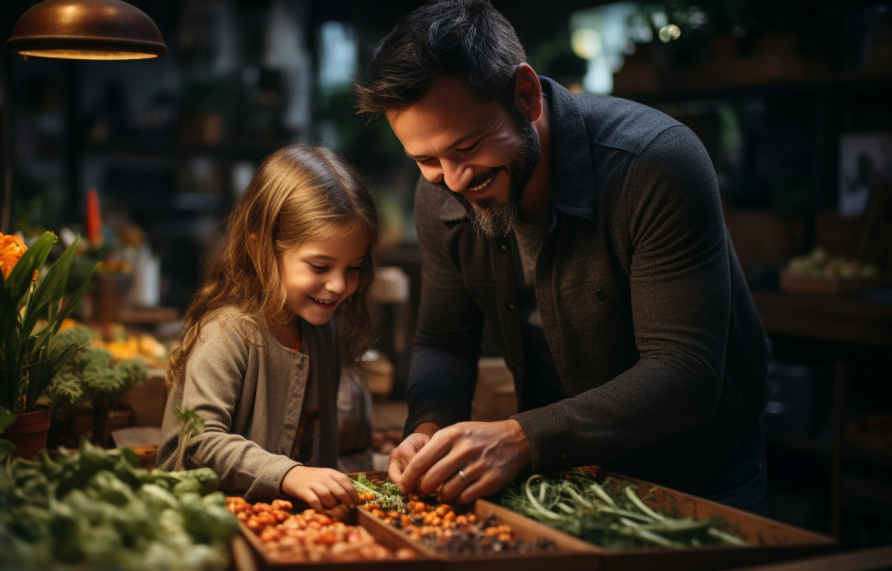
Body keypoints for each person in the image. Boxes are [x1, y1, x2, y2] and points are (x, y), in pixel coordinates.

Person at [355, 0, 773, 514]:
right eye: (426, 160)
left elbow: (684, 371)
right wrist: (428, 430)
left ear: (526, 95)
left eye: (467, 147)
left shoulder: (656, 163)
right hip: (563, 474)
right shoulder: (439, 194)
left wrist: (520, 438)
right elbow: (445, 340)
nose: (454, 181)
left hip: (699, 472)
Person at [156, 144, 379, 511]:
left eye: (353, 267)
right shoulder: (227, 332)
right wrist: (289, 474)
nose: (340, 285)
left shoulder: (325, 332)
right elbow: (199, 442)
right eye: (320, 267)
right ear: (262, 250)